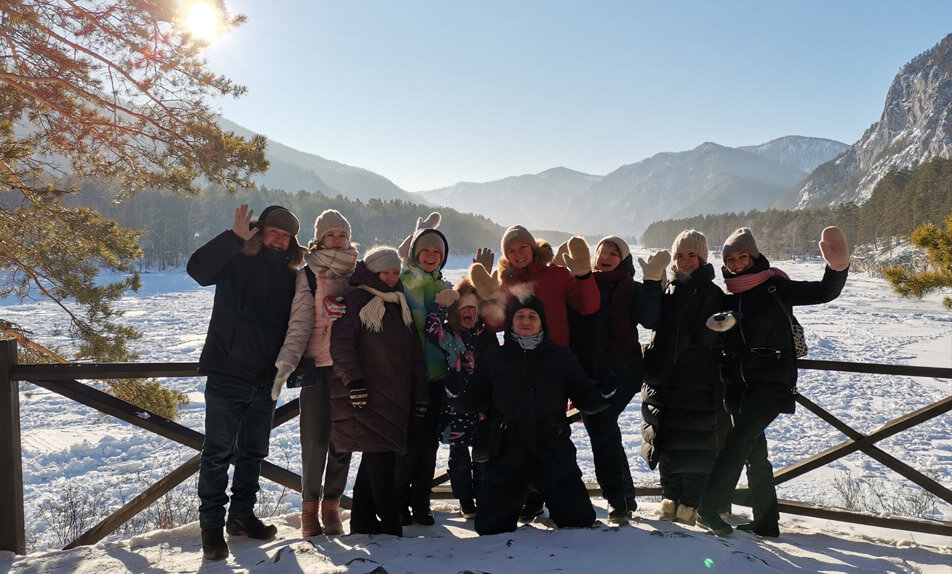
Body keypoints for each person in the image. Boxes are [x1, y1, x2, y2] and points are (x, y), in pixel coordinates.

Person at [695, 226, 850, 538]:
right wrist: (713, 328)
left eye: (743, 256)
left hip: (771, 383)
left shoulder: (775, 286)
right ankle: (766, 522)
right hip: (737, 385)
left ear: (754, 256)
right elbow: (708, 340)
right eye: (731, 258)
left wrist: (837, 268)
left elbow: (823, 292)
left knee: (738, 444)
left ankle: (708, 508)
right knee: (754, 453)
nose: (738, 262)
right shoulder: (727, 296)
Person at [187, 204, 313, 561]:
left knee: (253, 453)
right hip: (228, 373)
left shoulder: (293, 274)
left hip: (267, 380)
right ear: (259, 230)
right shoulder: (236, 256)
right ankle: (210, 528)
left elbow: (302, 319)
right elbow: (198, 270)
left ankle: (241, 516)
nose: (280, 239)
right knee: (216, 455)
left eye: (286, 235)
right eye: (275, 231)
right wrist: (232, 238)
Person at [453, 295, 615, 535]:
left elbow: (585, 398)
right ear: (511, 322)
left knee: (579, 523)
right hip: (507, 450)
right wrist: (454, 393)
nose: (526, 322)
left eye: (532, 316)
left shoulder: (561, 357)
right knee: (490, 529)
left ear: (542, 323)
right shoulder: (494, 359)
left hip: (552, 448)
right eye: (520, 316)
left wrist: (604, 395)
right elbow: (473, 400)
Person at [471, 226, 600, 522]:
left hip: (556, 367)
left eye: (522, 248)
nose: (518, 254)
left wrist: (582, 274)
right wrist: (489, 297)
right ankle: (524, 497)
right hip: (518, 366)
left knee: (551, 433)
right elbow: (493, 326)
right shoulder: (505, 282)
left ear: (532, 247)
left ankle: (549, 492)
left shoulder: (555, 274)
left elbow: (588, 305)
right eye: (511, 250)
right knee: (518, 431)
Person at [329, 246, 428, 536]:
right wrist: (354, 383)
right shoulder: (356, 301)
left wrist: (420, 394)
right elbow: (341, 346)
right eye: (385, 271)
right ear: (371, 272)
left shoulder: (399, 304)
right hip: (366, 394)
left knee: (377, 455)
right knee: (381, 458)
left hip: (394, 395)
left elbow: (414, 354)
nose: (390, 276)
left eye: (395, 272)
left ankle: (362, 520)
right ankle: (390, 524)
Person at [270, 209, 358, 537]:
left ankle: (332, 505)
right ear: (319, 238)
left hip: (349, 368)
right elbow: (300, 322)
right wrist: (287, 361)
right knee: (314, 440)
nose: (337, 240)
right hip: (318, 367)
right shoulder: (307, 275)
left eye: (342, 234)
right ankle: (309, 508)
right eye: (331, 234)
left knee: (343, 440)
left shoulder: (358, 272)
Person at [571, 236, 665, 524]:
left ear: (623, 259)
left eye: (614, 252)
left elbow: (651, 319)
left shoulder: (631, 288)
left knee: (601, 426)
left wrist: (651, 282)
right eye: (602, 251)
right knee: (605, 430)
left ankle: (617, 499)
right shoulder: (585, 284)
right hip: (590, 373)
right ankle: (624, 497)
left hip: (623, 373)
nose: (607, 256)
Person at [641, 230, 726, 527]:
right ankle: (670, 497)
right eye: (680, 255)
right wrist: (651, 284)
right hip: (665, 382)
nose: (685, 260)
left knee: (698, 446)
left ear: (702, 258)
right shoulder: (668, 289)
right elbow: (650, 321)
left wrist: (714, 328)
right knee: (667, 442)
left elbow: (710, 339)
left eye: (692, 255)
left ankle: (691, 503)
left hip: (699, 383)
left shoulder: (713, 294)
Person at [425, 274, 500, 519]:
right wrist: (440, 305)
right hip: (456, 406)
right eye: (464, 309)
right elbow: (430, 329)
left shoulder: (485, 335)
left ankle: (483, 496)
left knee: (482, 454)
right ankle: (466, 500)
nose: (469, 312)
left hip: (481, 405)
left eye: (473, 309)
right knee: (458, 457)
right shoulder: (450, 335)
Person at [396, 220, 452, 525]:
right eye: (425, 249)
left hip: (437, 377)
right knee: (407, 443)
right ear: (415, 252)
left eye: (437, 251)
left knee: (429, 444)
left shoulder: (444, 287)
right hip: (407, 377)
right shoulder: (403, 281)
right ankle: (399, 502)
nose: (431, 254)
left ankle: (421, 502)